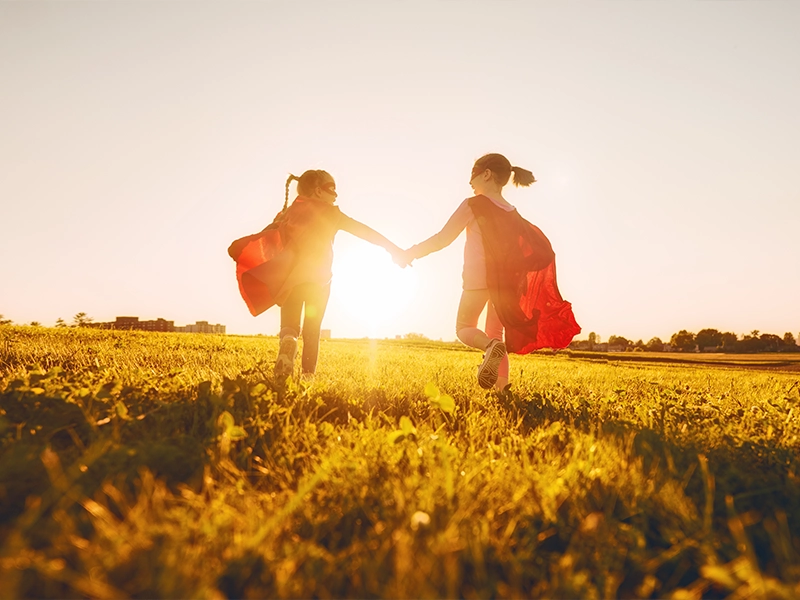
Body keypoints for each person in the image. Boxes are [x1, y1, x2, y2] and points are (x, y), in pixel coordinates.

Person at [399, 153, 580, 391]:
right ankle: (501, 390)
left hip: (478, 278)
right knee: (496, 333)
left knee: (463, 328)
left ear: (486, 174)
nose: (470, 181)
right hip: (507, 285)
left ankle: (488, 347)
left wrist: (410, 253)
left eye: (473, 174)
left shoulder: (473, 204)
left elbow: (443, 239)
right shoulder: (512, 212)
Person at [229, 169, 405, 381]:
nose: (336, 195)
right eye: (331, 189)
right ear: (317, 191)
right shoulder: (332, 214)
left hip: (291, 279)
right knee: (313, 329)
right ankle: (307, 377)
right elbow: (365, 231)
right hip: (319, 281)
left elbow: (265, 236)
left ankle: (289, 341)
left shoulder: (289, 213)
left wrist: (238, 249)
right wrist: (393, 249)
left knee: (290, 326)